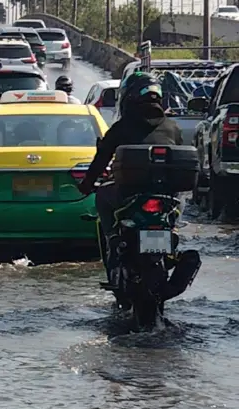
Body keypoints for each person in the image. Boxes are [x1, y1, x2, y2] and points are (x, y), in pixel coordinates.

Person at [76, 70, 183, 288]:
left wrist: (87, 186)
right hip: (166, 198)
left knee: (102, 198)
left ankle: (113, 239)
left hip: (129, 196)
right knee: (174, 214)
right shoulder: (173, 127)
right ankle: (171, 242)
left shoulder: (122, 127)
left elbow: (101, 159)